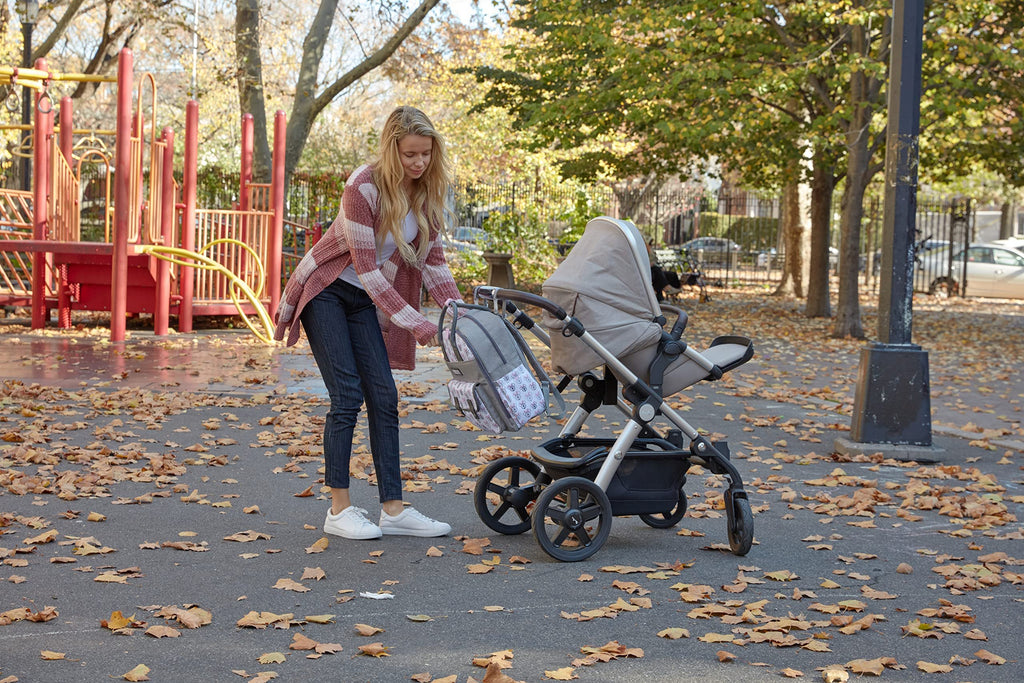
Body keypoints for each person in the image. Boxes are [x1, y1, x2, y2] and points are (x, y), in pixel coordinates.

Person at [274, 106, 462, 540]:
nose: (419, 163)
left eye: (426, 155)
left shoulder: (425, 194)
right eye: (411, 154)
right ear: (392, 149)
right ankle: (339, 509)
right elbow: (367, 268)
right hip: (327, 291)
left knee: (384, 395)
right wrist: (418, 324)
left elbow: (435, 267)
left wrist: (457, 316)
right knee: (347, 395)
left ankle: (393, 510)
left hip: (362, 299)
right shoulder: (363, 186)